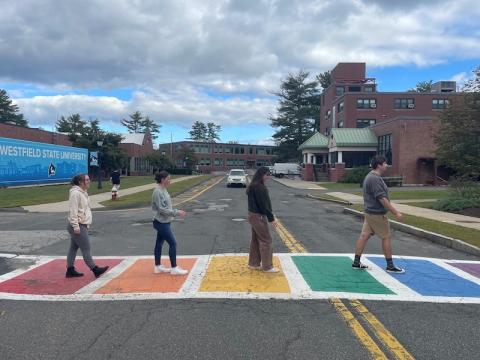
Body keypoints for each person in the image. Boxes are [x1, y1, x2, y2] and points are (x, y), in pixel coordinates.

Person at [352, 155, 405, 273]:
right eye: (385, 163)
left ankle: (356, 262)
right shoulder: (374, 179)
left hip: (370, 212)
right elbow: (382, 198)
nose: (386, 165)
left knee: (364, 236)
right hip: (376, 214)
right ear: (379, 165)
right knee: (386, 237)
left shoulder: (371, 177)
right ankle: (390, 266)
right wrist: (396, 212)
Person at [66, 174, 109, 278]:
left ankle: (70, 270)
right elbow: (73, 211)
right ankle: (95, 269)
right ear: (81, 182)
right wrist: (76, 226)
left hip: (81, 224)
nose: (89, 181)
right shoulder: (75, 193)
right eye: (87, 180)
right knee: (86, 248)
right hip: (78, 225)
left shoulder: (83, 192)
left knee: (73, 248)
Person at [152, 171, 188, 275]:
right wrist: (176, 212)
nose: (170, 180)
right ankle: (174, 268)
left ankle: (158, 266)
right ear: (163, 179)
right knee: (173, 243)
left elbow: (166, 207)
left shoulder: (163, 190)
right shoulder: (157, 192)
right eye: (168, 178)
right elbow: (161, 209)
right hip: (161, 222)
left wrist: (173, 212)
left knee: (159, 243)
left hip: (165, 221)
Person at [246, 166, 279, 273]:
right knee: (266, 240)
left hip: (252, 215)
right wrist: (272, 219)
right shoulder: (260, 188)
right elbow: (264, 206)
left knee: (255, 240)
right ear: (261, 175)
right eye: (267, 175)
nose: (268, 177)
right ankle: (267, 266)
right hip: (259, 217)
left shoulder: (252, 186)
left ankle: (253, 264)